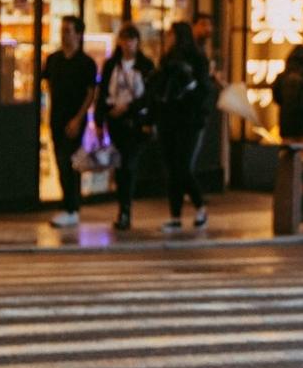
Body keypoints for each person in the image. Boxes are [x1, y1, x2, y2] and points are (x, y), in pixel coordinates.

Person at [154, 20, 212, 231]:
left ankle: (199, 206)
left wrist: (189, 89)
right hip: (172, 119)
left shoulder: (194, 59)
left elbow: (203, 90)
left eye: (171, 34)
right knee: (173, 167)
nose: (168, 38)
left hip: (187, 120)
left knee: (180, 166)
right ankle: (176, 215)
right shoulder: (169, 59)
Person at [42, 15, 99, 229]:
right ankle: (68, 205)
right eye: (63, 30)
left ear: (79, 34)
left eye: (69, 30)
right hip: (56, 116)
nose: (64, 34)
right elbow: (48, 85)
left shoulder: (86, 63)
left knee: (70, 161)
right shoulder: (54, 59)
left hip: (75, 119)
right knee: (59, 160)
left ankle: (72, 207)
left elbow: (90, 93)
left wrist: (79, 118)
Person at [97, 25, 154, 231]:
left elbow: (149, 96)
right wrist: (99, 121)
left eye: (132, 40)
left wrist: (128, 108)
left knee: (128, 164)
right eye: (125, 39)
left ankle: (125, 209)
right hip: (115, 123)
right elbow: (102, 92)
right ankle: (123, 206)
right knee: (121, 166)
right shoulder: (111, 64)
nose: (128, 44)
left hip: (135, 123)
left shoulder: (145, 65)